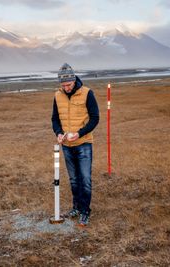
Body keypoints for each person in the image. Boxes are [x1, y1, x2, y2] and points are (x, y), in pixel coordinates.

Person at [52, 63, 99, 226]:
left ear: (74, 81)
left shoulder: (87, 93)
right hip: (67, 145)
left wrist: (79, 133)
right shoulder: (57, 96)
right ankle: (77, 207)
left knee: (85, 178)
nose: (66, 88)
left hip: (84, 143)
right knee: (73, 179)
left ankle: (85, 211)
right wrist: (58, 133)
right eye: (63, 85)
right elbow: (55, 119)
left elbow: (95, 118)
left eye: (68, 85)